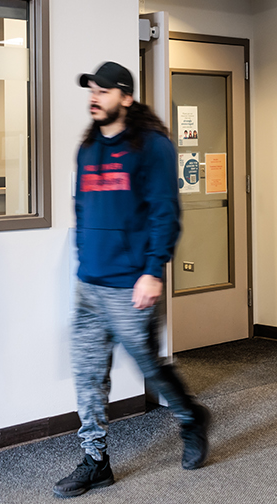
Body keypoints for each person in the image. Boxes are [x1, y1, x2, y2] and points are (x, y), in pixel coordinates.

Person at [54, 62, 210, 498]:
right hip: (89, 282)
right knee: (87, 374)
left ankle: (190, 417)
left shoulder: (152, 147)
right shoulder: (88, 149)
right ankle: (95, 460)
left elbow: (166, 213)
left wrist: (152, 271)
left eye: (103, 91)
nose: (94, 97)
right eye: (91, 90)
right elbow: (83, 208)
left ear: (125, 96)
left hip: (130, 283)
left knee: (147, 366)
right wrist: (84, 260)